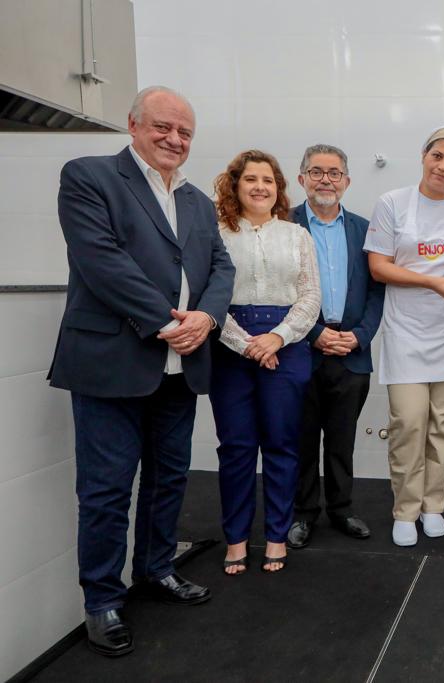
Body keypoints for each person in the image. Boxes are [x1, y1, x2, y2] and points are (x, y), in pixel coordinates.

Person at [49, 86, 234, 656]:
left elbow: (221, 267)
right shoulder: (90, 176)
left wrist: (206, 317)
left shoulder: (198, 201)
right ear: (133, 125)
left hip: (181, 367)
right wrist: (165, 322)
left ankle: (156, 569)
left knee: (169, 477)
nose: (174, 139)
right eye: (163, 127)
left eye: (184, 132)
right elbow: (100, 259)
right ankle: (103, 600)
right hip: (113, 363)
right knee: (106, 490)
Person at [364, 127, 444, 547]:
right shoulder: (391, 203)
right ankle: (405, 509)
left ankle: (433, 506)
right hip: (406, 334)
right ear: (424, 156)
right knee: (409, 424)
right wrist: (431, 282)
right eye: (438, 157)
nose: (443, 167)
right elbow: (378, 267)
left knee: (443, 428)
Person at [210, 150, 320, 575]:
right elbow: (208, 297)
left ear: (279, 189)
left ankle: (276, 536)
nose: (260, 187)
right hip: (229, 345)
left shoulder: (297, 236)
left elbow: (310, 297)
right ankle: (236, 540)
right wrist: (247, 345)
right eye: (251, 179)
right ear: (235, 185)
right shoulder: (216, 234)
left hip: (286, 346)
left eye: (268, 180)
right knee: (236, 447)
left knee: (281, 444)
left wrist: (277, 337)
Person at [287, 144, 384, 549]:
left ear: (347, 181)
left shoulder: (365, 230)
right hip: (299, 348)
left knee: (342, 440)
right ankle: (303, 513)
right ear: (302, 179)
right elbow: (277, 291)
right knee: (302, 439)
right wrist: (314, 333)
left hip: (351, 350)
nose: (325, 180)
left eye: (334, 173)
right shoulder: (284, 224)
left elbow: (377, 291)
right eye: (316, 172)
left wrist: (360, 335)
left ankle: (341, 508)